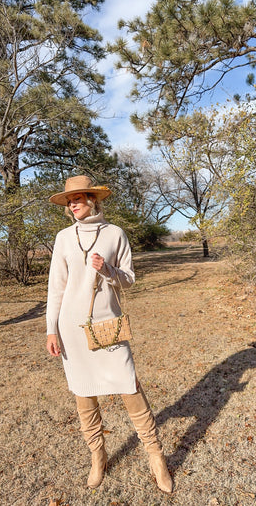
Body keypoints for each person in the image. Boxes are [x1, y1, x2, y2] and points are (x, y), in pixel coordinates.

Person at [46, 175, 173, 493]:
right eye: (69, 200)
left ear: (93, 199)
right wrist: (51, 329)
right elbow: (56, 288)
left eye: (78, 198)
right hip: (72, 328)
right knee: (84, 395)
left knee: (130, 387)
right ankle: (98, 458)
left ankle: (156, 459)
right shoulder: (63, 238)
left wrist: (107, 270)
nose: (72, 203)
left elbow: (129, 279)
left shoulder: (115, 233)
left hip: (108, 327)